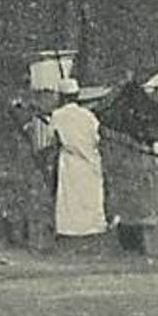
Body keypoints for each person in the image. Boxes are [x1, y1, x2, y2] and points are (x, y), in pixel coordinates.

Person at [45, 77, 107, 241]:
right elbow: (97, 138)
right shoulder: (89, 116)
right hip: (90, 159)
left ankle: (70, 230)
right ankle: (93, 228)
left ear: (62, 97)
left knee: (71, 198)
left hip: (71, 160)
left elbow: (51, 138)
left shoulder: (58, 115)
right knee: (89, 196)